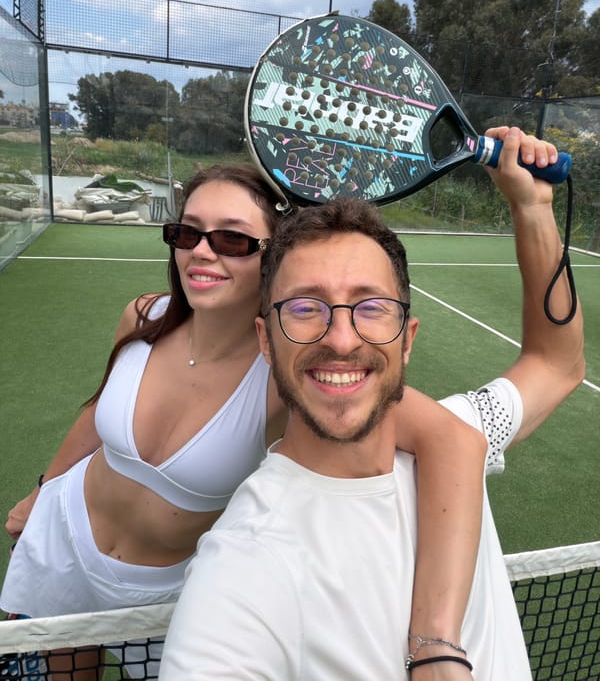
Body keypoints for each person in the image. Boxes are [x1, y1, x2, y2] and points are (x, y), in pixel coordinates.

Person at [1, 162, 488, 680]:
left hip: (165, 592)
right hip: (65, 536)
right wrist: (43, 488)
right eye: (186, 232)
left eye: (232, 239)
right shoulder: (143, 315)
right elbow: (99, 409)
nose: (201, 251)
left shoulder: (290, 375)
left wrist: (436, 642)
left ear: (272, 257)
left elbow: (453, 439)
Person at [157, 127, 585, 681]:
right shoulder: (243, 565)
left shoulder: (462, 428)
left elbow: (558, 363)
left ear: (406, 338)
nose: (340, 338)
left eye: (370, 306)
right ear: (266, 339)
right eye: (306, 308)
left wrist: (532, 205)